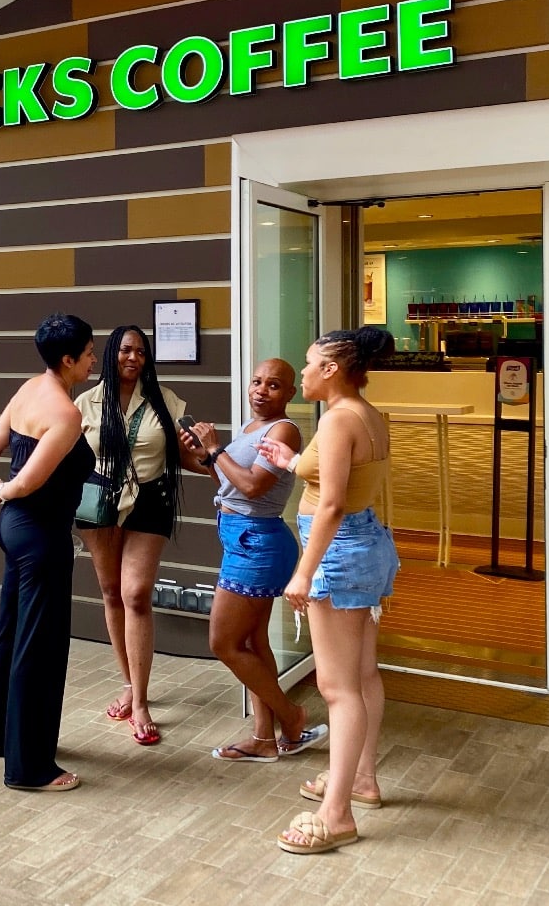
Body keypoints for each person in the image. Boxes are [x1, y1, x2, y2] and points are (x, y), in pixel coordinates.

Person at [258, 327, 400, 855]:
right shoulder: (365, 414)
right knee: (363, 676)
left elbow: (334, 504)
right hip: (366, 544)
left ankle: (336, 814)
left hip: (340, 549)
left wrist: (303, 572)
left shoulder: (339, 420)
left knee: (338, 689)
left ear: (333, 369)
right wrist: (292, 462)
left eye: (311, 361)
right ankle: (360, 780)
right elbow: (343, 481)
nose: (305, 369)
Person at [0, 313, 96, 792]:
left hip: (14, 531)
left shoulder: (27, 389)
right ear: (68, 359)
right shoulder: (65, 412)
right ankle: (31, 768)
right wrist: (6, 491)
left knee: (11, 634)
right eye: (90, 352)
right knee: (41, 644)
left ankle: (5, 739)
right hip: (40, 535)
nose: (95, 359)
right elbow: (31, 477)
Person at [180, 359, 327, 763]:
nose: (262, 390)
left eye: (274, 385)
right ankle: (264, 738)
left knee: (223, 643)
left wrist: (214, 449)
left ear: (290, 394)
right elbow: (229, 485)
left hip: (258, 543)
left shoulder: (284, 430)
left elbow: (253, 485)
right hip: (241, 538)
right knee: (251, 641)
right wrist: (206, 457)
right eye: (257, 382)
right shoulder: (249, 429)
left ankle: (291, 717)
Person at [75, 324, 202, 745]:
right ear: (111, 355)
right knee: (111, 593)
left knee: (135, 594)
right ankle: (129, 684)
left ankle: (143, 701)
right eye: (125, 350)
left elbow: (186, 457)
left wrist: (215, 459)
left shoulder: (165, 401)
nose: (133, 358)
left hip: (150, 501)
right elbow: (65, 454)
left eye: (141, 352)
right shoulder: (86, 403)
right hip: (99, 504)